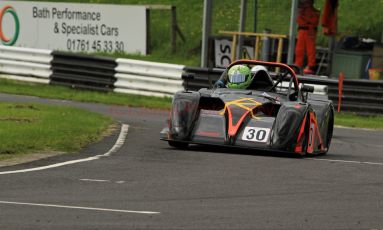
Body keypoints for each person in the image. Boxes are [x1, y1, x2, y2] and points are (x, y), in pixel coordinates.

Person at [294, 0, 320, 75]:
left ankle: (311, 66)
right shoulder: (303, 10)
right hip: (303, 30)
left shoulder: (312, 11)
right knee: (299, 49)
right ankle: (298, 65)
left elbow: (313, 20)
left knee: (310, 49)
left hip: (309, 30)